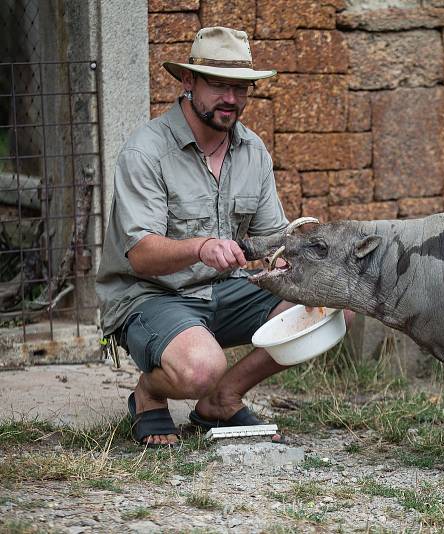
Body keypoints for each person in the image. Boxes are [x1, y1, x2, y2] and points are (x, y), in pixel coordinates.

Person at [96, 26, 336, 447]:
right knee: (199, 368)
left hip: (226, 292)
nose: (231, 98)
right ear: (188, 82)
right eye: (219, 85)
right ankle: (151, 394)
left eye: (240, 87)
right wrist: (200, 248)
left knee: (331, 299)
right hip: (152, 296)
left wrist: (288, 261)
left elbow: (269, 240)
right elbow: (140, 255)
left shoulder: (253, 150)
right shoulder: (146, 152)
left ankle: (222, 399)